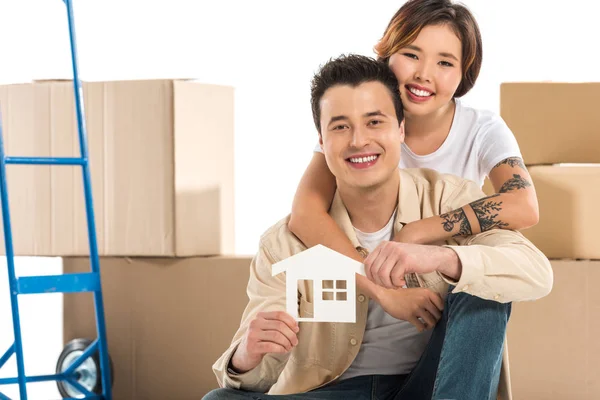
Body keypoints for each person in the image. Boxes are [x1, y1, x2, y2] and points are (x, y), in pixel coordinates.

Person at [205, 54, 552, 400]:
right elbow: (251, 382)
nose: (358, 141)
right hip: (332, 392)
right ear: (321, 142)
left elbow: (535, 272)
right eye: (340, 126)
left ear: (401, 129)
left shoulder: (448, 200)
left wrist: (442, 258)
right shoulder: (283, 245)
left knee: (484, 289)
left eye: (374, 122)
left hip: (432, 388)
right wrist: (246, 355)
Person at [288, 0, 540, 295]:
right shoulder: (360, 128)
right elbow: (305, 214)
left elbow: (524, 206)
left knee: (485, 288)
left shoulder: (482, 129)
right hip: (381, 283)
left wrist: (418, 231)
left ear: (464, 73)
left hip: (451, 283)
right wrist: (376, 286)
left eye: (444, 63)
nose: (423, 74)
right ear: (388, 54)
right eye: (411, 55)